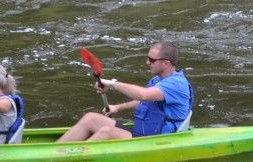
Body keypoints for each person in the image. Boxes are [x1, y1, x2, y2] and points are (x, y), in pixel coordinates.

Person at [57, 41, 193, 142]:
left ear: (166, 63)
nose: (147, 62)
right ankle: (55, 150)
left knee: (106, 132)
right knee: (90, 118)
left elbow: (143, 95)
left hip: (157, 141)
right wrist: (117, 107)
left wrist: (112, 84)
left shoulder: (176, 84)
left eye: (151, 60)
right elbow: (143, 102)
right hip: (142, 133)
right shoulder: (157, 80)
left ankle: (67, 158)